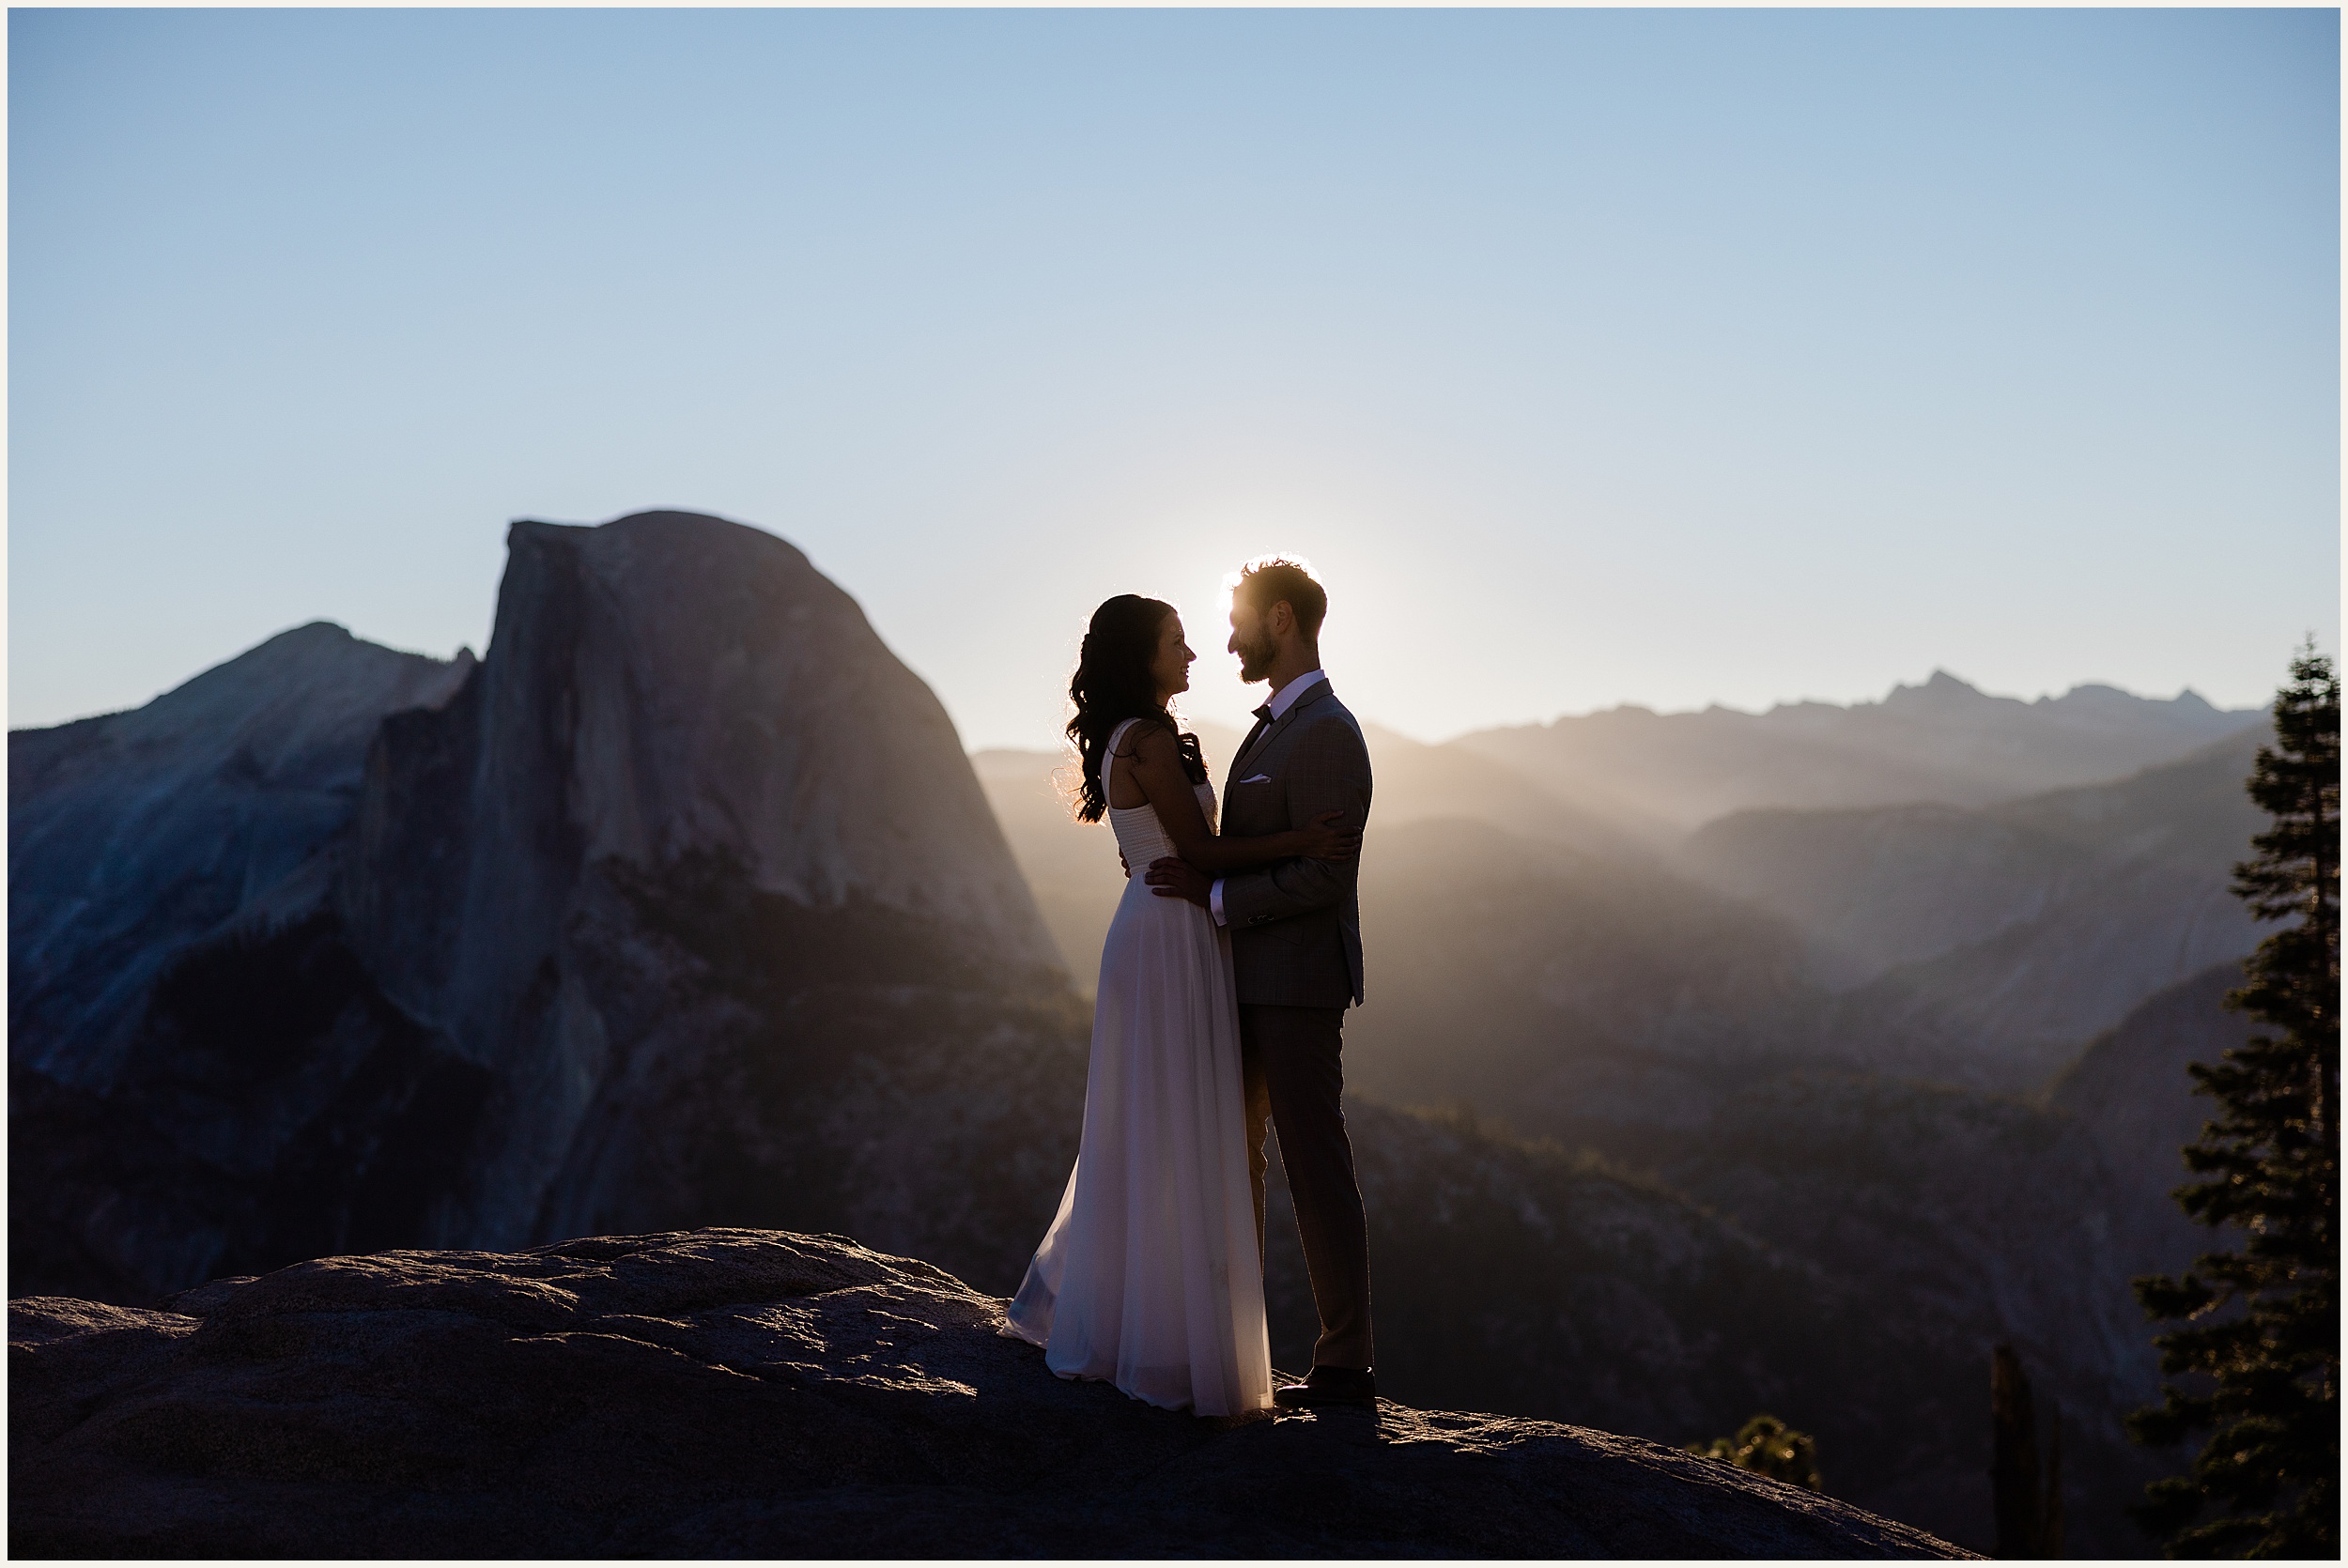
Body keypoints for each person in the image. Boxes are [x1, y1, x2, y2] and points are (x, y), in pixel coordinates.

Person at [1002, 592, 1359, 1416]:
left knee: (1157, 1122)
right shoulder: (1150, 739)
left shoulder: (1136, 737)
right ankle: (1169, 1341)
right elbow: (1196, 850)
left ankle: (1153, 1327)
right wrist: (1302, 841)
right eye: (1176, 642)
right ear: (1142, 655)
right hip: (1173, 933)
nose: (1193, 654)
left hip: (1172, 928)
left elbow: (1174, 850)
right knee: (1174, 1124)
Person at [1142, 559, 1378, 1409]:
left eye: (1238, 621)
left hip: (1297, 984)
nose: (1226, 639)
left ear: (1281, 620)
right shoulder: (1272, 725)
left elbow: (1324, 879)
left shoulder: (1326, 732)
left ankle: (1346, 1361)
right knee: (1234, 1164)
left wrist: (1213, 899)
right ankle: (1236, 1354)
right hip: (1238, 982)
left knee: (1315, 1165)